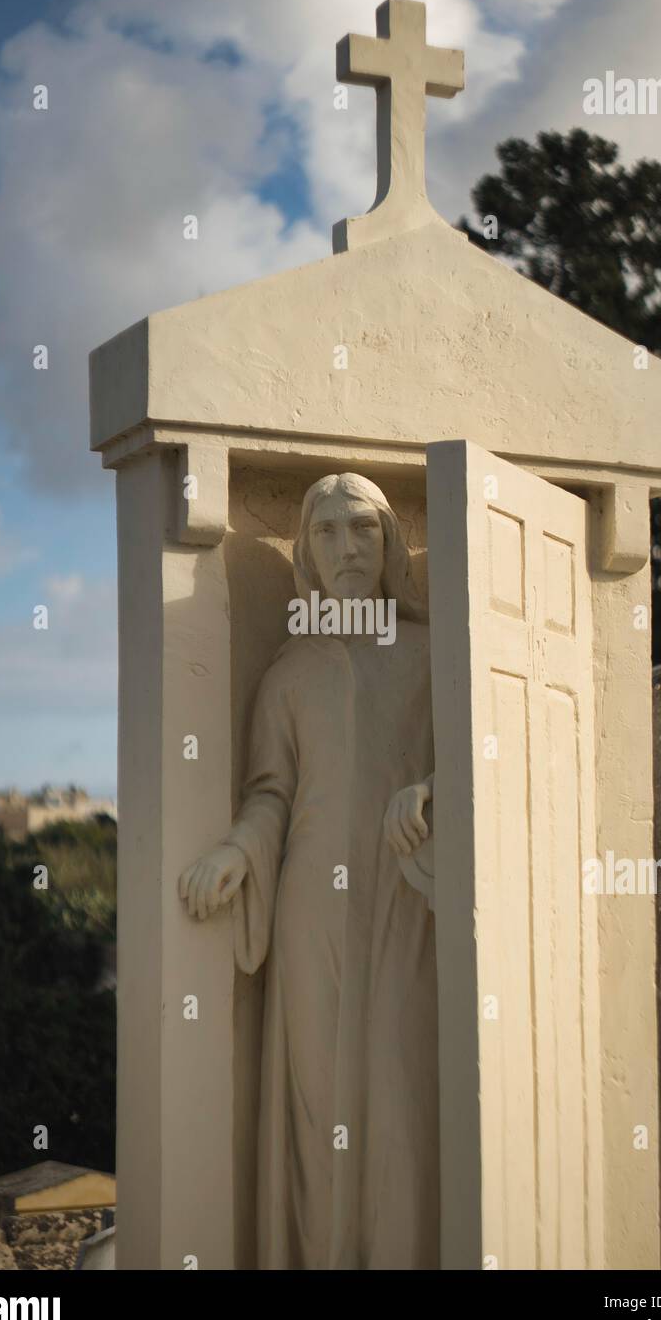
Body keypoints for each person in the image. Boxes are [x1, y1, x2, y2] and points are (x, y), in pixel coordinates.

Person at [178, 472, 438, 1269]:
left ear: (391, 542)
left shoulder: (432, 657)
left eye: (362, 528)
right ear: (305, 556)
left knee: (398, 1103)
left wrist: (432, 794)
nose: (345, 547)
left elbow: (481, 770)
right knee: (318, 1107)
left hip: (403, 901)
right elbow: (270, 797)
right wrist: (234, 851)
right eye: (324, 532)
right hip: (309, 910)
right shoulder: (287, 675)